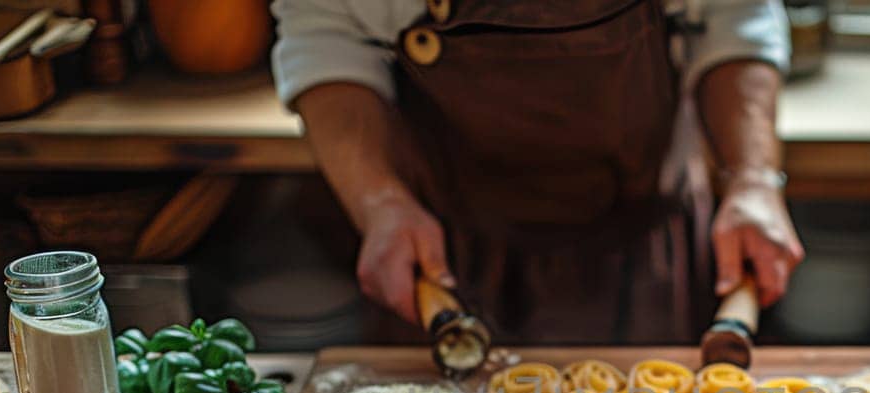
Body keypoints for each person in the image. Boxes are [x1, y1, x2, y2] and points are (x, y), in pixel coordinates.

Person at [272, 0, 806, 342]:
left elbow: (736, 14)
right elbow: (325, 34)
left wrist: (753, 178)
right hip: (445, 256)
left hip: (644, 244)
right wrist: (379, 202)